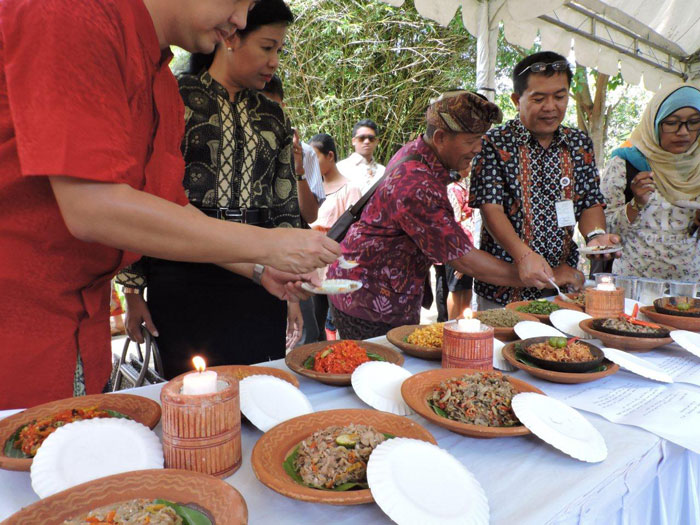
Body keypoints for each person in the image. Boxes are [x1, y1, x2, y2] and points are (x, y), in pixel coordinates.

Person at [0, 0, 340, 409]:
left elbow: (169, 207)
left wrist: (258, 265)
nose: (239, 21)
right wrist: (269, 246)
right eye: (239, 1)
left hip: (80, 332)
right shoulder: (71, 13)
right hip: (21, 331)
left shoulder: (159, 81)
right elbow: (94, 207)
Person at [118, 0, 311, 379]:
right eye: (267, 47)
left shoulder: (273, 114)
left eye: (279, 51)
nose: (274, 62)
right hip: (181, 269)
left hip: (257, 274)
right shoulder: (174, 97)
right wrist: (132, 291)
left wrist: (288, 284)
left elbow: (284, 203)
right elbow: (142, 195)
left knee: (259, 386)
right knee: (192, 396)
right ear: (231, 38)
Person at [326, 90, 583, 340]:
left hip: (375, 286)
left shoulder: (416, 151)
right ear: (439, 138)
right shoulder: (417, 184)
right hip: (370, 299)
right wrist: (544, 276)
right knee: (376, 372)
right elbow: (464, 260)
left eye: (480, 139)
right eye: (471, 141)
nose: (477, 149)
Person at [469, 51, 618, 310]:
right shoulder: (494, 143)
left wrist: (595, 236)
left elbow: (590, 202)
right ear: (517, 100)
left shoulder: (578, 144)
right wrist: (524, 255)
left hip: (562, 285)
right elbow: (491, 209)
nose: (551, 107)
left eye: (560, 97)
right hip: (503, 291)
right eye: (539, 98)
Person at [601, 84, 700, 280]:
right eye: (672, 123)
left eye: (694, 122)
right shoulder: (626, 164)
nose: (683, 132)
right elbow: (604, 232)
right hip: (632, 290)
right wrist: (636, 203)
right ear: (654, 121)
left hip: (688, 292)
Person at [308, 133, 363, 339]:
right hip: (312, 262)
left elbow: (356, 231)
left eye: (315, 158)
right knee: (314, 321)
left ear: (330, 155)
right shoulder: (312, 190)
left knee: (338, 322)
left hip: (336, 263)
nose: (311, 164)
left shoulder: (351, 188)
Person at [261, 74, 325, 224]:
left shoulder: (305, 152)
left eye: (273, 108)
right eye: (261, 108)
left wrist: (298, 170)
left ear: (283, 108)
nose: (267, 116)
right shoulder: (240, 148)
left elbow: (310, 216)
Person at [446, 167, 475, 319]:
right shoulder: (452, 188)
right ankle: (451, 323)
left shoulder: (466, 185)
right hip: (457, 245)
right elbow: (454, 222)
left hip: (470, 243)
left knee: (466, 288)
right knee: (455, 289)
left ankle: (462, 323)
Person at [336, 119, 385, 191]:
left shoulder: (383, 171)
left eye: (371, 138)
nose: (367, 141)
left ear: (376, 142)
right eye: (362, 138)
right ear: (353, 141)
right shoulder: (341, 168)